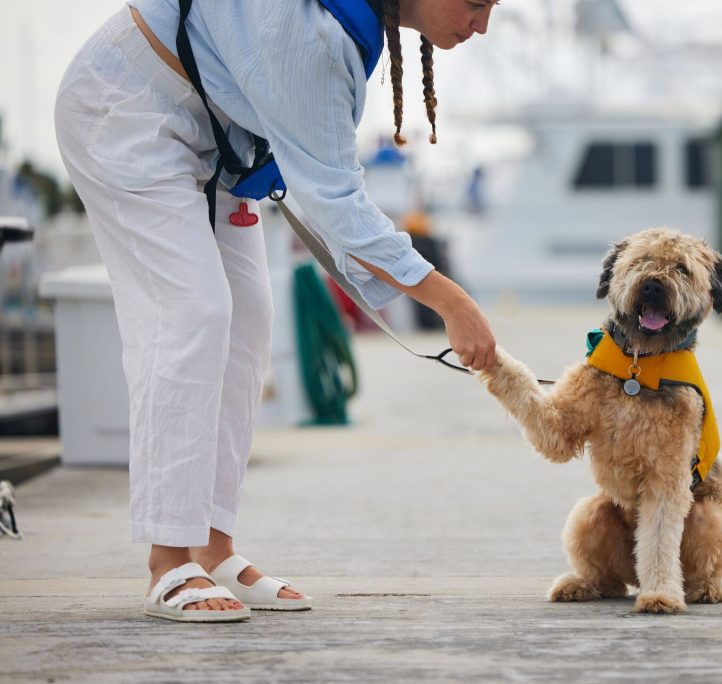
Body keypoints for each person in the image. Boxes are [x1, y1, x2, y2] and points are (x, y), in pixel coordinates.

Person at [54, 0, 499, 622]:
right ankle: (167, 559)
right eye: (477, 3)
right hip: (126, 107)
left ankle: (213, 546)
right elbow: (338, 208)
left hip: (213, 132)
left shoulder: (340, 29)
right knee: (193, 313)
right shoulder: (311, 38)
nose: (482, 23)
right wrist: (452, 303)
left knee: (248, 319)